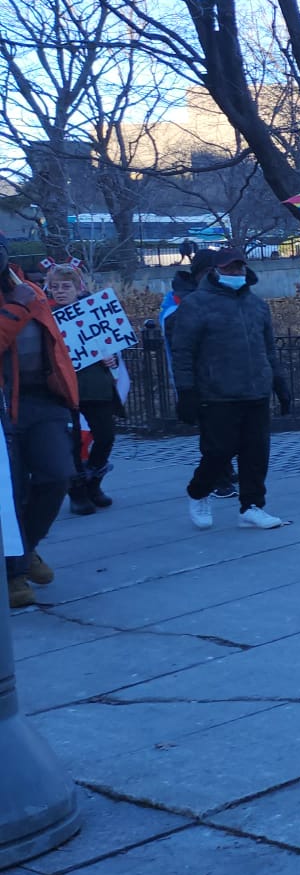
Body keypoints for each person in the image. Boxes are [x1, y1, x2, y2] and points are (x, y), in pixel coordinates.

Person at [170, 250, 290, 531]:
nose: (236, 274)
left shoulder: (257, 305)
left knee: (256, 454)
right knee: (219, 452)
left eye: (239, 269)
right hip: (217, 392)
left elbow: (268, 349)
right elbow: (183, 352)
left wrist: (279, 383)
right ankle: (198, 492)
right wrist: (186, 391)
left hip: (255, 390)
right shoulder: (196, 304)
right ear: (215, 271)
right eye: (229, 269)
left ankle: (252, 506)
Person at [1, 238, 81, 609]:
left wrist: (66, 388)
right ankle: (14, 572)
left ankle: (26, 549)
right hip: (5, 409)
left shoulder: (29, 288)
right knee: (11, 492)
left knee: (56, 476)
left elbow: (55, 342)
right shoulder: (20, 297)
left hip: (43, 402)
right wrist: (16, 308)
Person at [42, 265, 122, 518]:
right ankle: (77, 491)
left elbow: (111, 343)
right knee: (72, 441)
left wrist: (112, 358)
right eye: (55, 287)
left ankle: (93, 483)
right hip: (66, 388)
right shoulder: (47, 317)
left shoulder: (96, 313)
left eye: (66, 286)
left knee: (106, 436)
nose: (60, 291)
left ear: (79, 288)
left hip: (97, 385)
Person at [163, 250, 236, 502]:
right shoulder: (180, 303)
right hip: (201, 379)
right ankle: (217, 479)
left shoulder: (219, 294)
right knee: (214, 434)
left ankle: (224, 471)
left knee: (226, 430)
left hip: (224, 374)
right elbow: (181, 346)